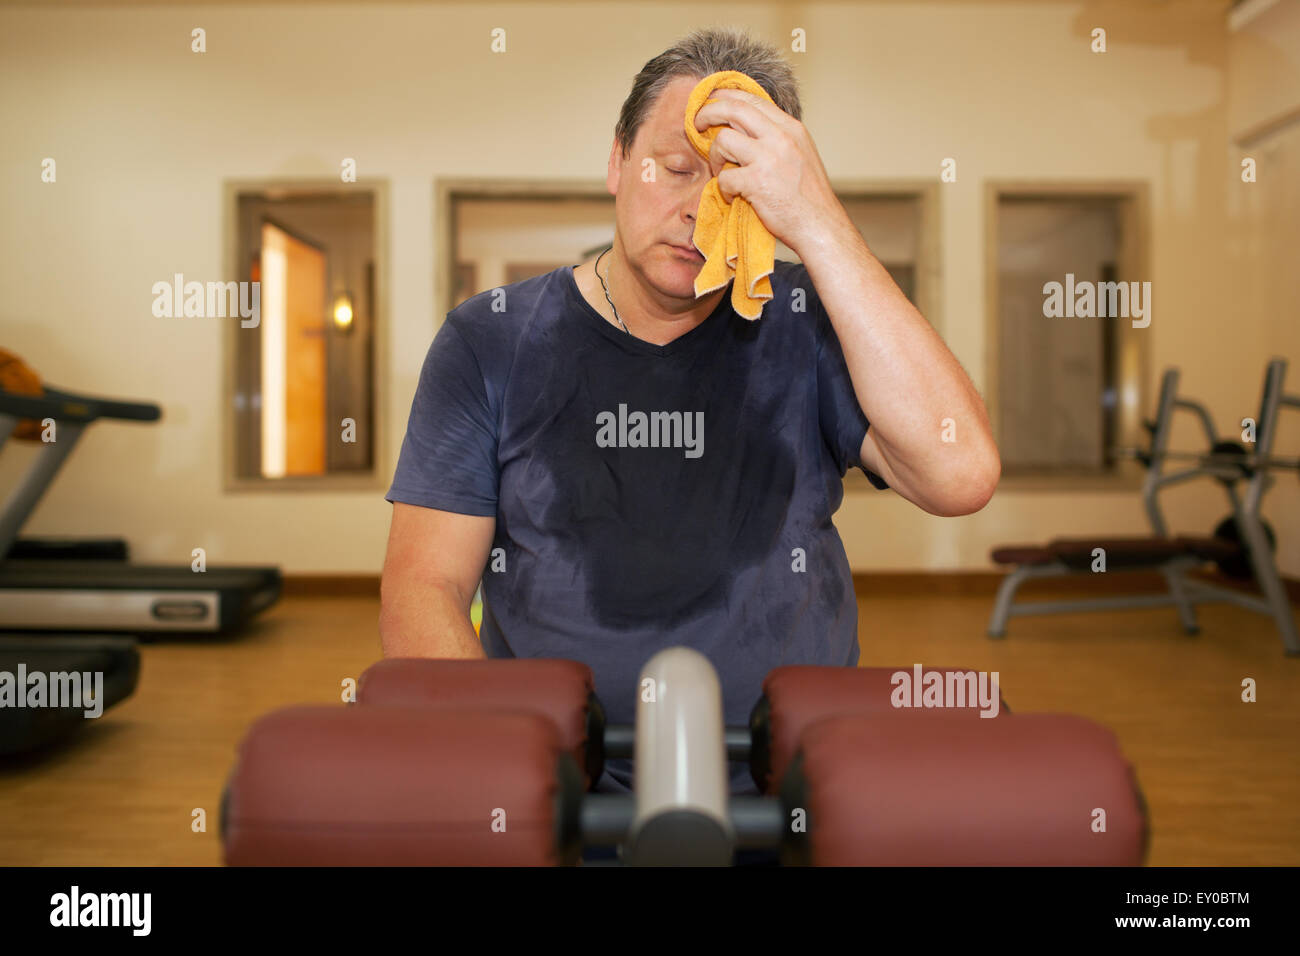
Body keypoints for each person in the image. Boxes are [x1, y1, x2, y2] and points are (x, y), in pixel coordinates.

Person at [380, 27, 999, 802]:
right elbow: (423, 588)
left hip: (797, 787)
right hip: (559, 790)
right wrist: (503, 769)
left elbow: (962, 473)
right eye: (676, 170)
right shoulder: (492, 335)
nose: (698, 211)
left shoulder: (810, 319)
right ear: (615, 162)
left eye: (734, 185)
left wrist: (818, 221)